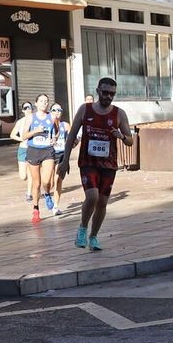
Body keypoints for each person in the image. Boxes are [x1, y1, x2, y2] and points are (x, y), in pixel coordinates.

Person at [68, 78, 134, 251]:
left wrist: (121, 136)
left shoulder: (119, 114)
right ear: (98, 91)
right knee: (92, 197)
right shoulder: (85, 109)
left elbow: (130, 141)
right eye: (105, 92)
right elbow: (71, 135)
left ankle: (94, 236)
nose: (108, 96)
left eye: (112, 94)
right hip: (88, 162)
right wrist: (64, 160)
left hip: (108, 165)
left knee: (102, 203)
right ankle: (82, 228)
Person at [14, 94, 59, 224]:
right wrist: (36, 131)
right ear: (36, 104)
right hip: (33, 150)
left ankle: (47, 193)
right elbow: (24, 136)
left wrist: (54, 138)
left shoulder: (52, 116)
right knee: (36, 183)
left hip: (47, 150)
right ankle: (36, 209)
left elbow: (56, 131)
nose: (44, 103)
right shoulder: (31, 117)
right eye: (41, 101)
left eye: (46, 101)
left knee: (46, 181)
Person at [50, 103, 70, 215]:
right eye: (54, 110)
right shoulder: (47, 124)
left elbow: (72, 140)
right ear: (50, 112)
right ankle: (48, 193)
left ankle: (55, 206)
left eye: (59, 110)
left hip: (61, 154)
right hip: (49, 154)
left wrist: (74, 142)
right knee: (49, 182)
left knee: (58, 180)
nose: (57, 112)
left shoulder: (66, 125)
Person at [14, 100, 34, 199]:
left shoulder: (36, 120)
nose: (28, 109)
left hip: (32, 149)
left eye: (29, 107)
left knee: (30, 172)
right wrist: (21, 139)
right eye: (25, 108)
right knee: (23, 176)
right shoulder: (20, 122)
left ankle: (29, 193)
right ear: (23, 110)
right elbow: (12, 135)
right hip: (23, 149)